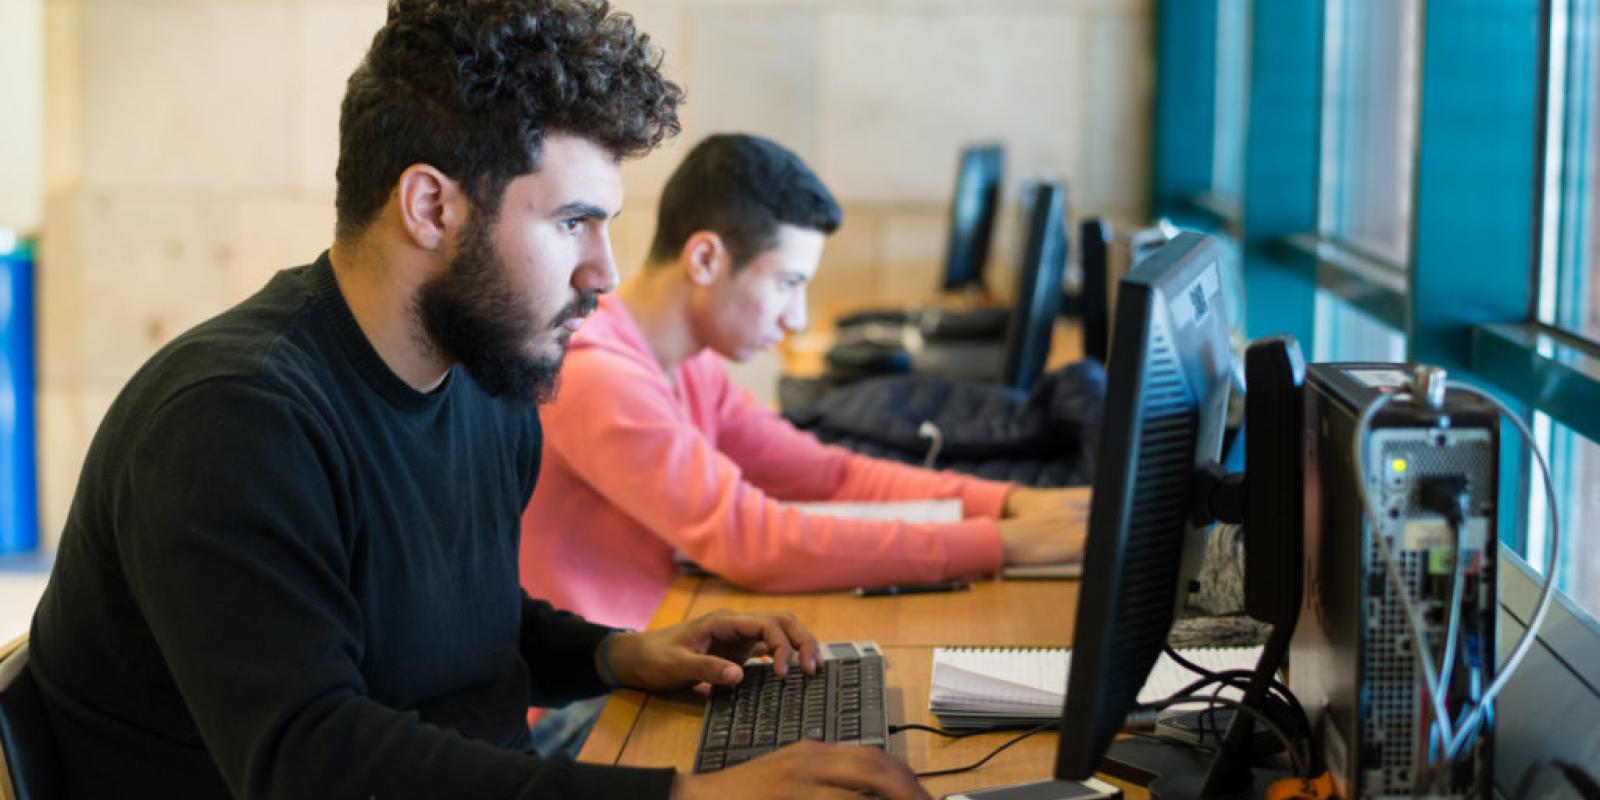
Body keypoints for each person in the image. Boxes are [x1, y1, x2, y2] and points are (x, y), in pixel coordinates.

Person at [27, 3, 930, 798]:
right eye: (573, 220)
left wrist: (615, 653)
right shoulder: (233, 422)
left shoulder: (486, 380)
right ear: (429, 207)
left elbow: (460, 625)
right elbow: (311, 759)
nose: (605, 272)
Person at [520, 133, 1090, 638]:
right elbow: (752, 539)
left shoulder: (689, 362)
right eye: (788, 283)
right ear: (705, 259)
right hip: (588, 708)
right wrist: (1005, 543)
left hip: (666, 638)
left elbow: (825, 475)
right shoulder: (596, 372)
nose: (797, 317)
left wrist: (1013, 503)